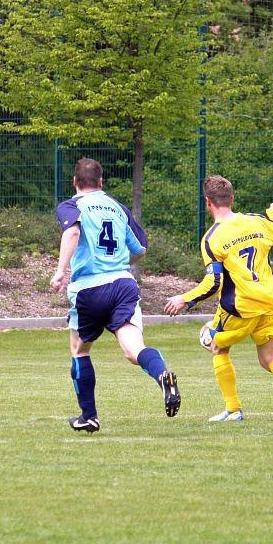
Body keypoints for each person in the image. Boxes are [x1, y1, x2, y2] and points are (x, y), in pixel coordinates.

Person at [164, 174, 273, 421]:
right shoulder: (256, 221)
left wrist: (185, 298)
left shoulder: (212, 238)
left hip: (242, 306)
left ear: (207, 202)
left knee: (215, 345)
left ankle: (234, 409)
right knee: (270, 359)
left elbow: (214, 283)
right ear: (232, 198)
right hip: (271, 302)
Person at [51, 158, 181, 433]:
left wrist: (61, 271)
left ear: (75, 182)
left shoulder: (71, 206)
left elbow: (72, 232)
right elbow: (140, 249)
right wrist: (118, 261)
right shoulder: (118, 207)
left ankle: (89, 416)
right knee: (134, 350)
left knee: (79, 350)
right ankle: (161, 375)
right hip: (123, 284)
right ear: (101, 182)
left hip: (89, 289)